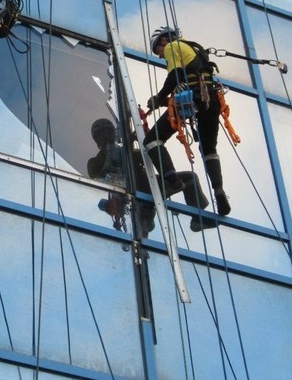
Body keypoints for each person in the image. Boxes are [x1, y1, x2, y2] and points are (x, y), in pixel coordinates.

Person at [144, 26, 231, 223]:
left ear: (165, 40)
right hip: (211, 101)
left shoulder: (172, 47)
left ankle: (171, 179)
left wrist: (159, 97)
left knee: (152, 140)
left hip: (192, 99)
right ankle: (218, 189)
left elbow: (175, 76)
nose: (160, 54)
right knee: (208, 148)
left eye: (158, 48)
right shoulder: (195, 51)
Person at [87, 118, 209, 237]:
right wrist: (113, 150)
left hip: (149, 186)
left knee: (190, 177)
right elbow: (98, 172)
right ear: (97, 140)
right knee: (143, 226)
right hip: (132, 194)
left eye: (108, 132)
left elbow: (146, 158)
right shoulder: (94, 162)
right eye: (102, 134)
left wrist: (137, 142)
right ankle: (144, 231)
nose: (106, 136)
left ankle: (198, 220)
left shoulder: (127, 152)